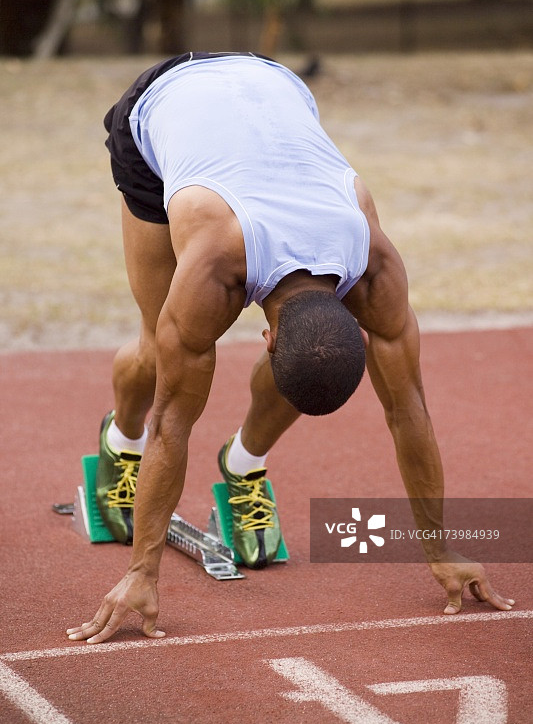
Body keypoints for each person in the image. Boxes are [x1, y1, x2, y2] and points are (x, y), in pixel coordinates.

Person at [66, 52, 514, 645]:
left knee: (315, 362)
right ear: (267, 340)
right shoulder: (213, 265)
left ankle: (243, 463)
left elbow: (409, 412)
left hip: (274, 88)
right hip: (165, 107)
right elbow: (173, 425)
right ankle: (117, 443)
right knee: (158, 354)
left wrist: (443, 548)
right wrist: (139, 572)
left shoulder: (373, 265)